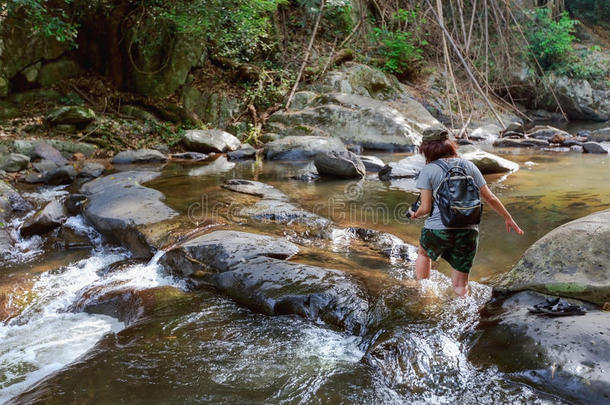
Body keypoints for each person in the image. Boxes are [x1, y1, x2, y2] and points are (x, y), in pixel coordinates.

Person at [409, 127, 524, 296]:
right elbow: (490, 198)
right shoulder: (469, 165)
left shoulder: (428, 170)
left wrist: (414, 213)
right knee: (461, 286)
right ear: (450, 145)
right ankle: (463, 309)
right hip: (468, 231)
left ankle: (425, 293)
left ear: (426, 148)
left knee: (423, 253)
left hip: (437, 230)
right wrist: (508, 218)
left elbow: (425, 208)